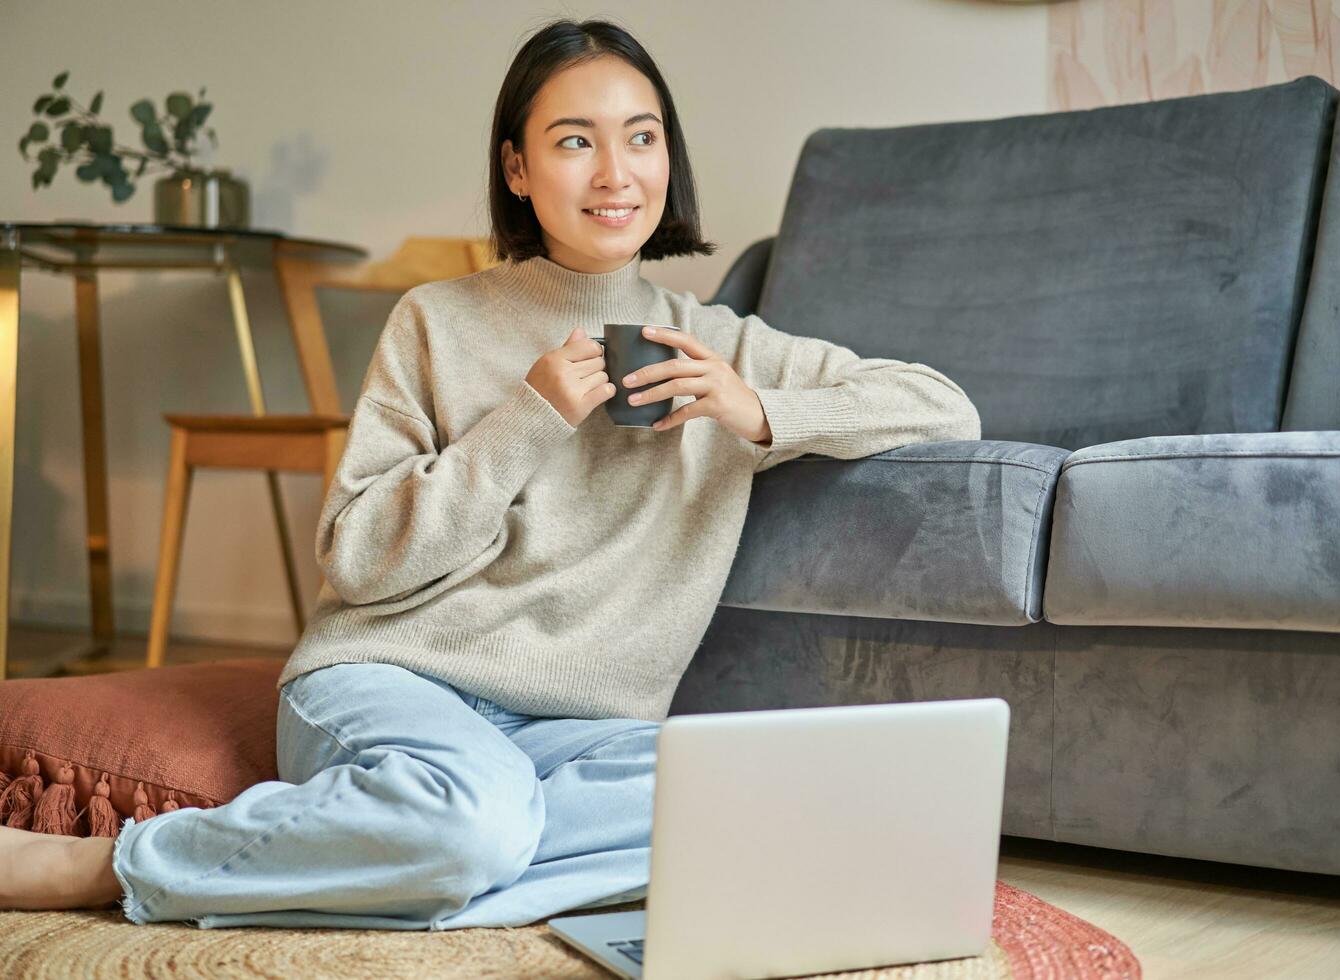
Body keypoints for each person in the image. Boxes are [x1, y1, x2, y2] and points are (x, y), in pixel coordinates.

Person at [0, 17, 981, 928]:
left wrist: (757, 408)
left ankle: (414, 867)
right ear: (516, 167)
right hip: (392, 680)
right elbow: (358, 562)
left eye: (641, 137)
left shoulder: (720, 346)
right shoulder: (439, 319)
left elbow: (944, 405)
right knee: (480, 817)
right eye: (573, 141)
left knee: (767, 798)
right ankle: (114, 866)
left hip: (576, 738)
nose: (615, 171)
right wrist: (531, 414)